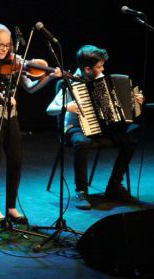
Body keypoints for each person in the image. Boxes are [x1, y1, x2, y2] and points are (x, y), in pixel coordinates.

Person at [0, 24, 62, 224]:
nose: (4, 50)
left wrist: (48, 77)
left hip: (11, 117)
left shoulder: (15, 64)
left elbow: (30, 87)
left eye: (7, 45)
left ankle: (11, 207)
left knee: (16, 162)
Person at [46, 45, 144, 210]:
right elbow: (49, 110)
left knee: (130, 141)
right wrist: (66, 107)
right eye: (99, 66)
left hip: (101, 128)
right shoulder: (71, 83)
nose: (103, 69)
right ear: (87, 69)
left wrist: (135, 101)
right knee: (82, 143)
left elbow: (118, 105)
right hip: (74, 127)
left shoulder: (102, 79)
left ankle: (114, 186)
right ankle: (81, 191)